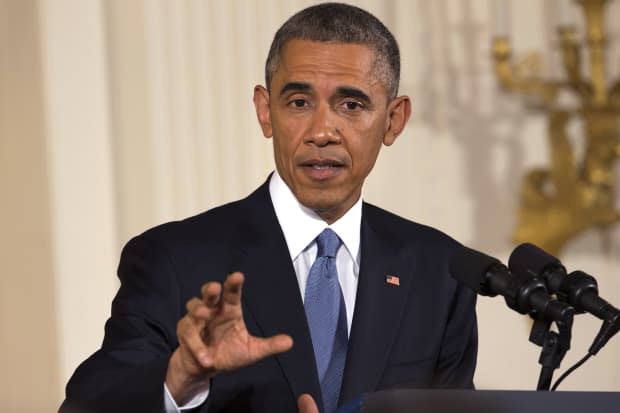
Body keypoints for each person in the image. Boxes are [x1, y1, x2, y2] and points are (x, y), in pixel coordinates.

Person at [60, 3, 477, 413]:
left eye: (351, 105)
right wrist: (179, 378)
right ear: (265, 112)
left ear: (393, 120)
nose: (321, 132)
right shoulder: (174, 260)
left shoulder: (439, 271)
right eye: (299, 102)